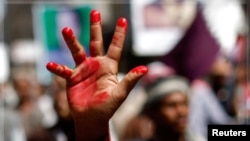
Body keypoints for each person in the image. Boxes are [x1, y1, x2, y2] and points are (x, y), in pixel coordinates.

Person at [46, 9, 148, 141]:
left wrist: (94, 127)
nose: (60, 98)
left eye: (63, 89)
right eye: (56, 91)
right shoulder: (42, 136)